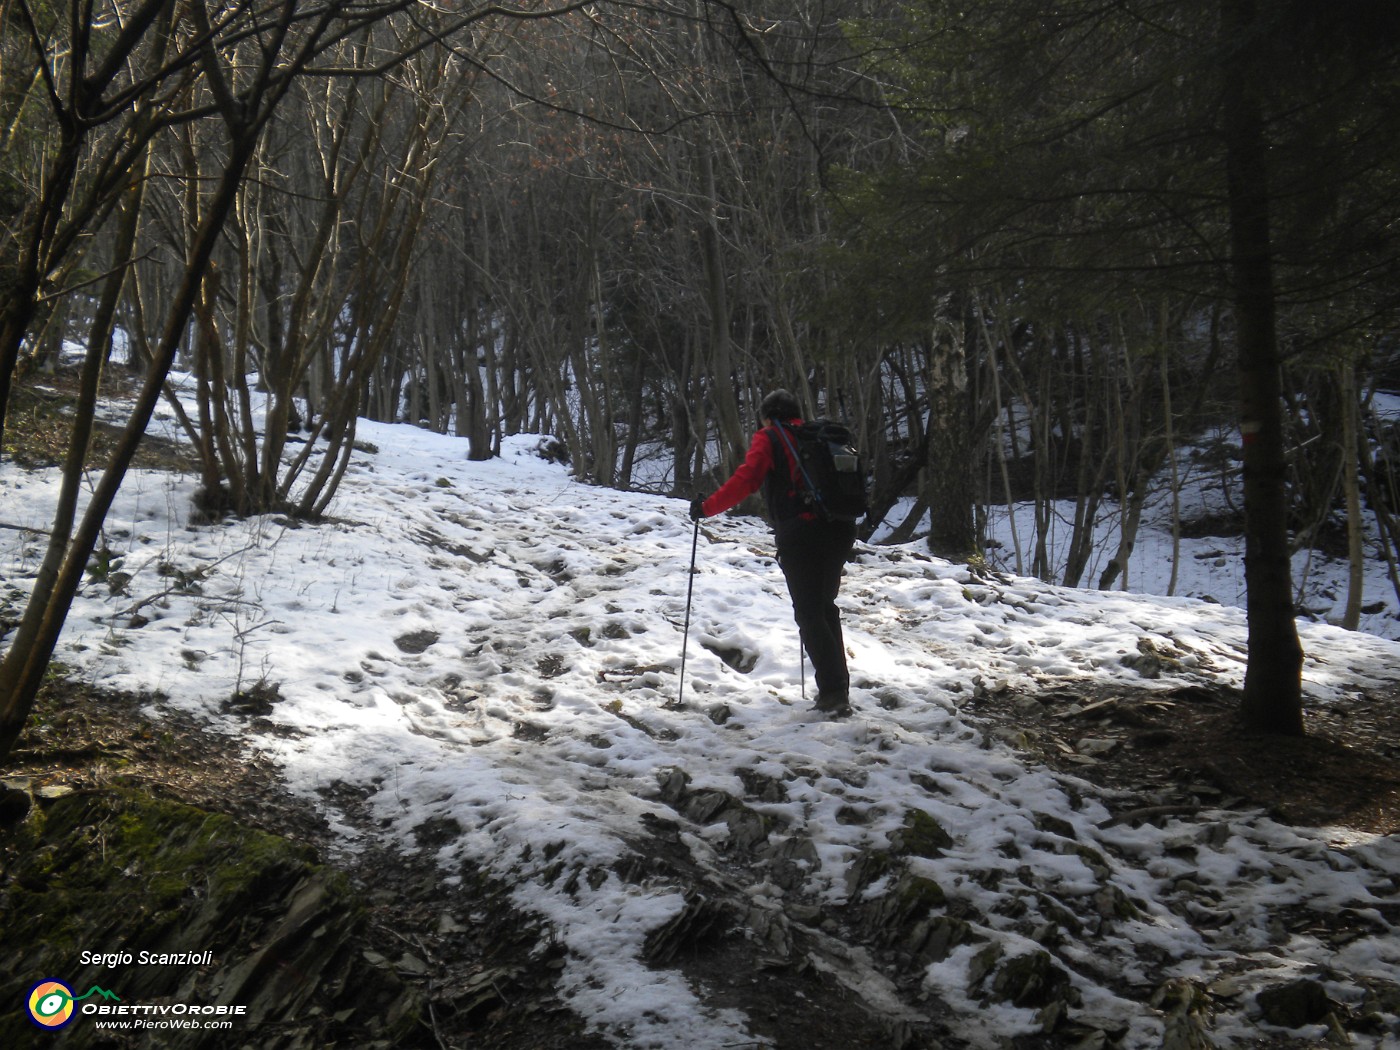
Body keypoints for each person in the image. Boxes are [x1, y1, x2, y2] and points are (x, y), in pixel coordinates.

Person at [689, 389, 857, 716]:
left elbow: (747, 480)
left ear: (766, 417)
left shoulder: (772, 437)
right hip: (840, 528)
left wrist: (707, 508)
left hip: (802, 532)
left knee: (809, 613)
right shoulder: (818, 438)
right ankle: (837, 689)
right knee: (824, 608)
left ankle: (834, 695)